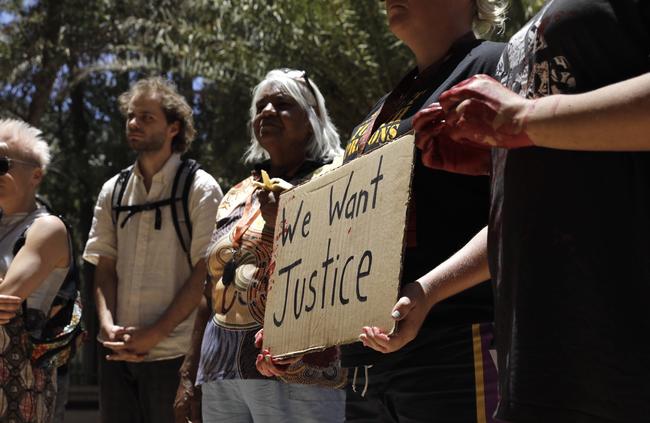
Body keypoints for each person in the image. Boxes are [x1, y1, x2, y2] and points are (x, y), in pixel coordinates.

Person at [376, 0, 650, 421]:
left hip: (623, 369)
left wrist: (525, 118)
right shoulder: (532, 29)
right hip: (538, 374)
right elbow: (529, 207)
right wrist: (429, 290)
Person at [339, 1, 506, 422]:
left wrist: (428, 290)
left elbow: (525, 208)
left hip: (456, 343)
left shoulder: (493, 66)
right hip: (368, 362)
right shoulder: (384, 108)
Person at [175, 69, 346, 423]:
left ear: (312, 121)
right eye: (261, 105)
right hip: (221, 370)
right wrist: (189, 371)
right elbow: (212, 287)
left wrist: (288, 221)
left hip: (297, 372)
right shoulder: (238, 193)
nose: (267, 111)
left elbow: (343, 269)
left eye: (282, 105)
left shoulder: (335, 180)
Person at [84, 77, 223, 423]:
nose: (134, 123)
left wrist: (153, 335)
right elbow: (103, 267)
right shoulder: (112, 191)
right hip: (117, 357)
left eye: (147, 117)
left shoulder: (199, 187)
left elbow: (204, 274)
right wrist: (107, 328)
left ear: (174, 127)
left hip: (175, 356)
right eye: (131, 116)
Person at [0, 119, 72, 423]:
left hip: (19, 389)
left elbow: (6, 296)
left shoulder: (46, 229)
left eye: (2, 163)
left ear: (36, 175)